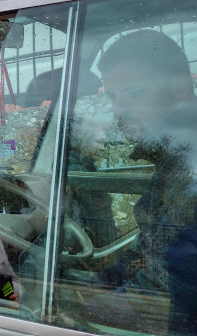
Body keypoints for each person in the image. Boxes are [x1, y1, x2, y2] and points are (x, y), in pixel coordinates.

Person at [84, 30, 197, 332]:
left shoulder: (191, 168)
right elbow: (147, 251)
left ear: (180, 87)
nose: (119, 110)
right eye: (113, 97)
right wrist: (96, 284)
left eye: (134, 93)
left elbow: (173, 285)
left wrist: (72, 304)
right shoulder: (175, 158)